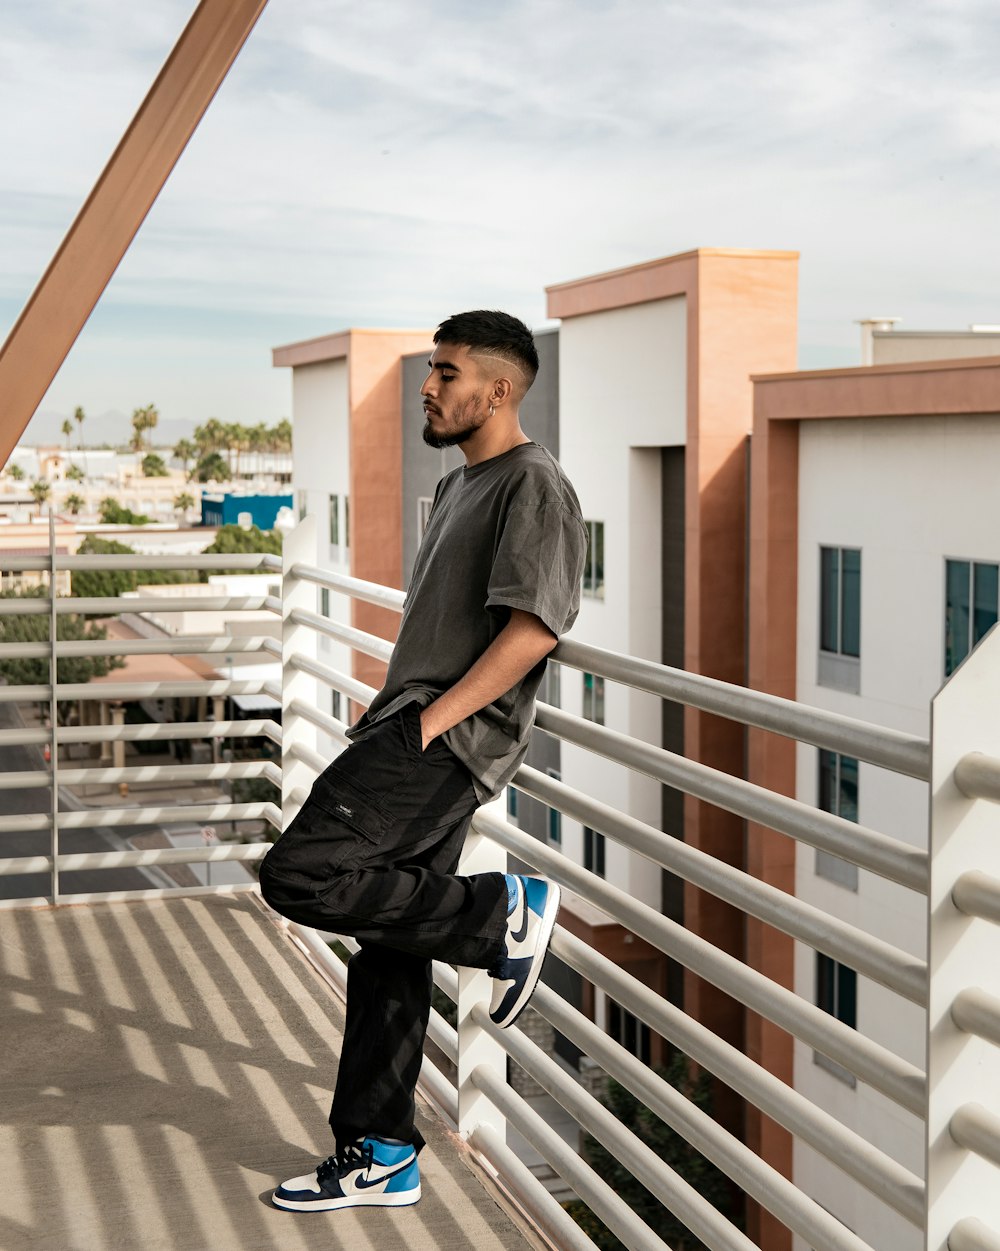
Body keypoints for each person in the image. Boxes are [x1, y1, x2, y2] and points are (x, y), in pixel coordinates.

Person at [259, 309, 588, 1213]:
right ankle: (380, 1150)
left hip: (442, 742)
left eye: (445, 373)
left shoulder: (535, 485)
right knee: (389, 941)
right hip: (407, 726)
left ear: (501, 388)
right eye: (431, 372)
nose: (428, 388)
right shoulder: (458, 488)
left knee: (300, 872)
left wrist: (431, 724)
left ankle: (498, 917)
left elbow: (532, 631)